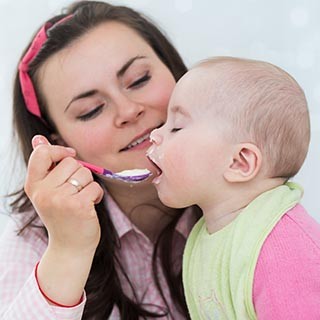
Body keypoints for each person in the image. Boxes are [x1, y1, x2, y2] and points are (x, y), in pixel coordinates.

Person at [0, 1, 201, 319]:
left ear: (176, 71)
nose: (128, 110)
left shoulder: (250, 185)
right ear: (62, 145)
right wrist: (68, 251)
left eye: (139, 80)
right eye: (91, 110)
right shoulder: (31, 243)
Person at [148, 56, 320, 319]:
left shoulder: (280, 247)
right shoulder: (212, 233)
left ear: (240, 162)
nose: (154, 135)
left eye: (177, 127)